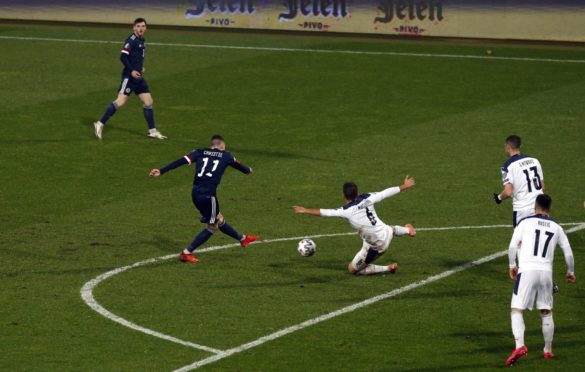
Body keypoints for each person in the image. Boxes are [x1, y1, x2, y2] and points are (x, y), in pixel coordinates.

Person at [149, 135, 257, 263]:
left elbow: (180, 161)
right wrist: (249, 170)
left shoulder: (199, 152)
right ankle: (186, 253)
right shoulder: (227, 156)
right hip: (208, 196)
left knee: (219, 218)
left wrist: (161, 171)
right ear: (222, 145)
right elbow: (246, 170)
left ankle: (242, 239)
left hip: (195, 194)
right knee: (213, 226)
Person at [293, 176, 416, 275]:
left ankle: (388, 268)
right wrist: (404, 185)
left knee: (353, 269)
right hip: (384, 231)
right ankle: (407, 230)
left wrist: (305, 210)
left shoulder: (346, 210)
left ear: (343, 195)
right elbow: (385, 193)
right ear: (358, 192)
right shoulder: (368, 197)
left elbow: (325, 212)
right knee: (387, 229)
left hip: (377, 246)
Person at [505, 194, 576, 366]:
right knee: (546, 311)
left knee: (516, 309)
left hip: (527, 270)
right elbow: (568, 252)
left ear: (534, 207)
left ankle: (520, 345)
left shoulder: (525, 223)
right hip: (546, 273)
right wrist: (570, 271)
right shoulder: (557, 227)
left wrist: (512, 265)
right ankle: (548, 350)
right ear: (550, 209)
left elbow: (513, 245)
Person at [94, 18, 166, 140]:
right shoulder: (131, 40)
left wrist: (139, 67)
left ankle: (152, 131)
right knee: (120, 101)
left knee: (148, 102)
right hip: (129, 76)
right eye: (138, 26)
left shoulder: (141, 40)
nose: (141, 28)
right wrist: (132, 70)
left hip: (138, 77)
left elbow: (135, 57)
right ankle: (99, 124)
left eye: (143, 26)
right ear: (134, 28)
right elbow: (123, 57)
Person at [494, 135, 544, 227]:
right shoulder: (535, 161)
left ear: (508, 147)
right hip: (540, 207)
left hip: (522, 210)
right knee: (539, 239)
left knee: (520, 240)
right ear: (519, 147)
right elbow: (542, 187)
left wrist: (499, 198)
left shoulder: (508, 166)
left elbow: (508, 192)